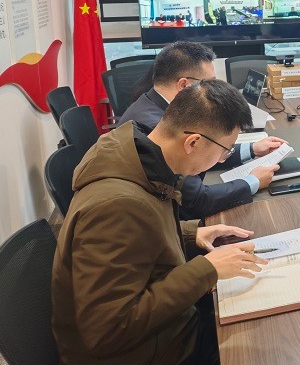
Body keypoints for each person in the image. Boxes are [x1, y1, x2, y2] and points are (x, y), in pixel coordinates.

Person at [52, 79, 269, 365]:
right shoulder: (117, 207)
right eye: (224, 151)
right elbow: (105, 331)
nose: (221, 160)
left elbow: (139, 239)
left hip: (164, 329)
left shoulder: (138, 157)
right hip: (147, 353)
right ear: (193, 142)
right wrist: (206, 270)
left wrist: (191, 234)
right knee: (265, 344)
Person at [118, 41, 287, 219]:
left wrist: (251, 149)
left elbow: (204, 150)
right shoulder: (157, 129)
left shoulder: (151, 103)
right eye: (208, 83)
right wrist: (252, 182)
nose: (213, 89)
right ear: (184, 85)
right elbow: (196, 200)